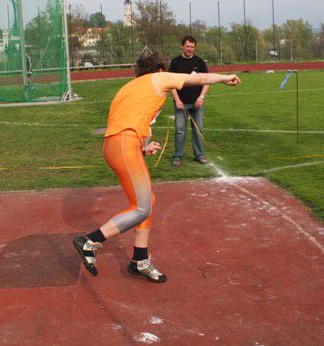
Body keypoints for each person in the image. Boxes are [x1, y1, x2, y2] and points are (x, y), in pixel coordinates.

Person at [73, 51, 240, 282]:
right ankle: (90, 241)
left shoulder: (129, 87)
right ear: (161, 69)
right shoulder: (159, 78)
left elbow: (126, 121)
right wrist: (224, 77)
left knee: (147, 202)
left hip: (115, 146)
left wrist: (142, 149)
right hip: (124, 144)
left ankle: (139, 260)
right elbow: (198, 78)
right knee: (142, 207)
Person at [169, 35, 209, 166]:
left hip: (197, 103)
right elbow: (170, 83)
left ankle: (199, 155)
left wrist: (201, 97)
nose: (190, 49)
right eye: (187, 46)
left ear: (195, 48)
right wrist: (177, 100)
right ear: (182, 46)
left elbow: (207, 81)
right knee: (180, 130)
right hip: (181, 103)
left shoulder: (199, 62)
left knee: (198, 129)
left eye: (192, 47)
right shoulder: (175, 62)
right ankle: (178, 156)